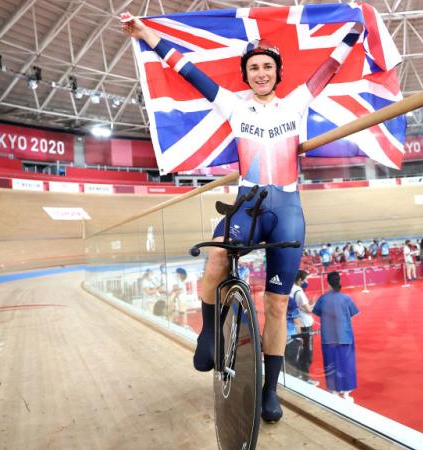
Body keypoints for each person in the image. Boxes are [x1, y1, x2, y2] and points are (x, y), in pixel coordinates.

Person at [122, 15, 364, 423]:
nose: (261, 72)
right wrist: (147, 35)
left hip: (287, 210)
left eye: (267, 66)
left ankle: (270, 393)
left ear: (277, 72)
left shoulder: (296, 103)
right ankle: (209, 334)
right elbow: (187, 70)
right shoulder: (233, 105)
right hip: (248, 205)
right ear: (247, 75)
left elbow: (329, 68)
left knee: (276, 304)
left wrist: (353, 35)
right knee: (216, 257)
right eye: (254, 67)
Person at [313, 272, 359, 401]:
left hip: (328, 337)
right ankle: (345, 393)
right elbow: (353, 313)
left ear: (328, 283)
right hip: (344, 336)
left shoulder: (323, 299)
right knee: (346, 364)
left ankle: (333, 391)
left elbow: (317, 313)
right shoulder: (346, 298)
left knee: (330, 363)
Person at [289, 270, 317, 385]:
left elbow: (302, 306)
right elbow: (308, 310)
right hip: (305, 324)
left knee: (301, 351)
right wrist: (314, 303)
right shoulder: (299, 292)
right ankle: (305, 378)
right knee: (307, 353)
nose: (307, 281)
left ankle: (299, 375)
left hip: (298, 323)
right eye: (305, 279)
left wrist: (308, 304)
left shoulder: (291, 289)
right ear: (300, 280)